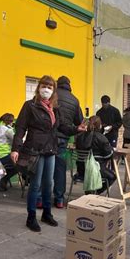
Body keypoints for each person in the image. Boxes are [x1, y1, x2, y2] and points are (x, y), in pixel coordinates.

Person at [11, 76, 82, 232]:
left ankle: (47, 214)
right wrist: (16, 148)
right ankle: (31, 217)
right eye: (44, 86)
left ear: (53, 90)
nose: (46, 89)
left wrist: (77, 129)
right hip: (35, 150)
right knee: (35, 184)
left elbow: (62, 127)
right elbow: (21, 128)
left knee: (48, 183)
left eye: (50, 87)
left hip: (51, 149)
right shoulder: (30, 106)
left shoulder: (55, 108)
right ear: (38, 87)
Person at [53, 76, 84, 208]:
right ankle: (59, 199)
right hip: (64, 138)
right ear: (69, 85)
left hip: (48, 137)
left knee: (44, 167)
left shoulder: (53, 95)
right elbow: (80, 121)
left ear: (57, 84)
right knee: (60, 168)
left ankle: (40, 198)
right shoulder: (74, 100)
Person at [75, 116, 115, 194]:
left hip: (81, 171)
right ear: (99, 126)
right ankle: (96, 192)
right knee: (112, 177)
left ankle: (90, 192)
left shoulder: (79, 137)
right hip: (96, 170)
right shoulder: (101, 138)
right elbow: (108, 155)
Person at [0, 113, 18, 191]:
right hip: (4, 155)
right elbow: (16, 141)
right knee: (19, 165)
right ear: (10, 121)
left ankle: (4, 180)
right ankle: (4, 180)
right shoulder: (8, 130)